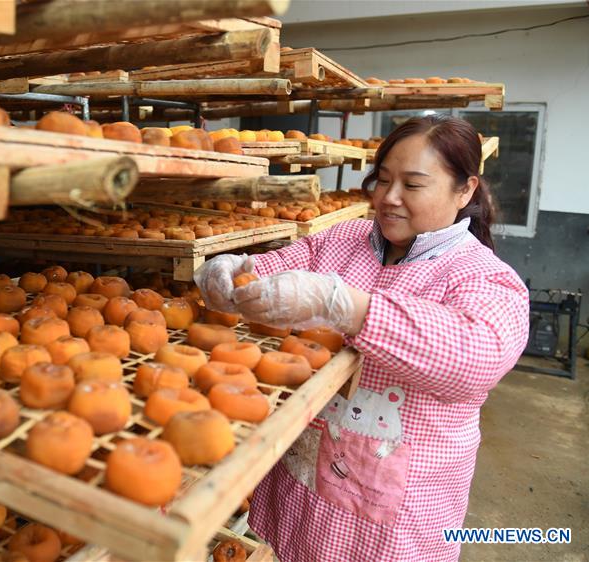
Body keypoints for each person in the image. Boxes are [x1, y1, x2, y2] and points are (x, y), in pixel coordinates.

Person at [195, 116, 530, 561]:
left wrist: (351, 308)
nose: (389, 198)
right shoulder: (346, 239)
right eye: (383, 180)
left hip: (395, 508)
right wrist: (235, 270)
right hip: (309, 482)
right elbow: (286, 265)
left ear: (465, 190)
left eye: (413, 185)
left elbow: (474, 358)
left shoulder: (484, 277)